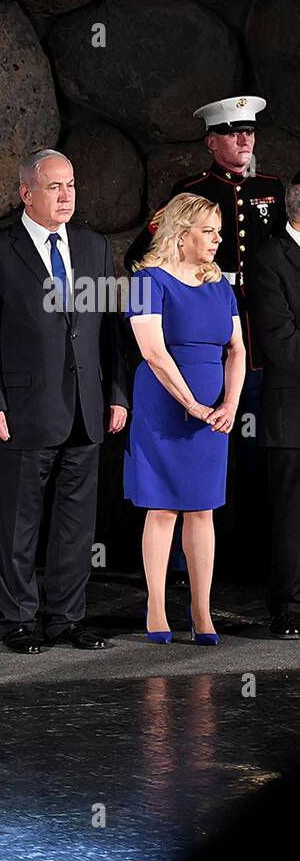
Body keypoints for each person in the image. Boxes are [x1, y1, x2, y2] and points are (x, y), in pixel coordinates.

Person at [0, 150, 129, 654]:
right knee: (16, 522)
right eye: (55, 187)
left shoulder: (95, 247)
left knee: (76, 523)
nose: (66, 196)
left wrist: (116, 394)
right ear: (26, 193)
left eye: (71, 186)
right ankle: (17, 620)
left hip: (85, 407)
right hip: (21, 410)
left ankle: (66, 618)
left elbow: (110, 334)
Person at [126, 96, 285, 574]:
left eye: (250, 132)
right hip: (197, 333)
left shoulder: (272, 190)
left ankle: (251, 562)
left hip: (255, 339)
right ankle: (180, 571)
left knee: (254, 461)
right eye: (234, 133)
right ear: (212, 141)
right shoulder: (190, 192)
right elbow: (143, 254)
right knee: (187, 471)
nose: (244, 140)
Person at [125, 193, 246, 646]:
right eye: (208, 231)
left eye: (218, 231)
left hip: (215, 413)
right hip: (165, 406)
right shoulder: (147, 281)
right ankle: (156, 605)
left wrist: (230, 403)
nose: (218, 239)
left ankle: (201, 610)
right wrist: (192, 404)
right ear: (181, 233)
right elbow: (152, 351)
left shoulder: (221, 286)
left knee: (202, 508)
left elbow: (236, 349)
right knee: (163, 506)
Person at [245, 173, 300, 641]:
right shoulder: (268, 259)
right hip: (292, 411)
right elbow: (282, 345)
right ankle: (289, 607)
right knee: (292, 515)